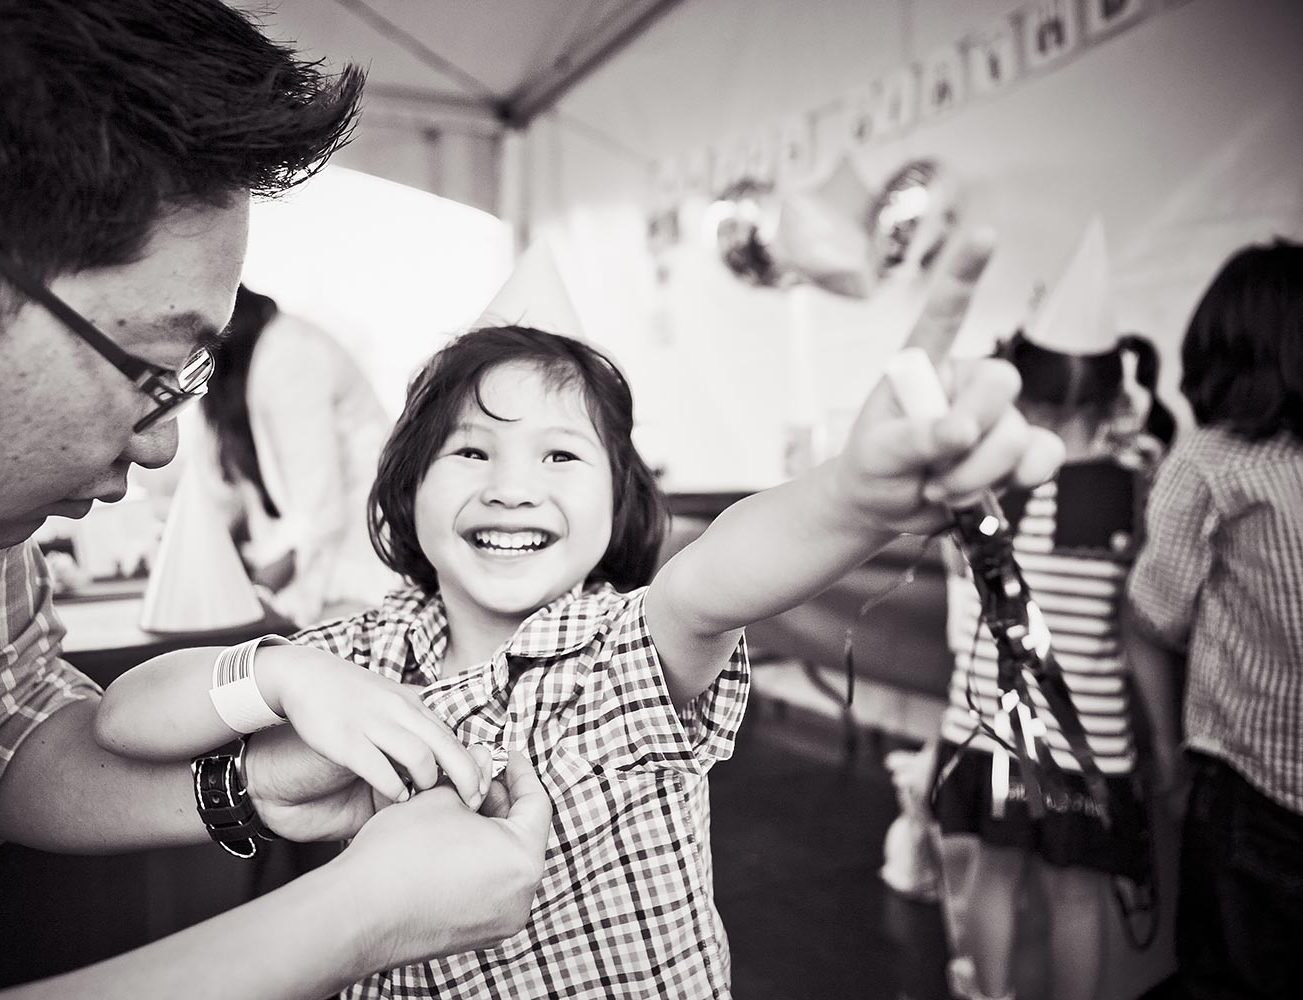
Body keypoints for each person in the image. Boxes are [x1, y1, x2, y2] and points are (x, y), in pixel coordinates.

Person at [0, 3, 551, 999]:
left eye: (189, 384)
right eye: (150, 368)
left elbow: (0, 727)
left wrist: (257, 782)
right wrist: (353, 918)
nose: (159, 447)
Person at [96, 278, 1064, 998]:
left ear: (617, 501)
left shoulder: (623, 650)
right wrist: (276, 670)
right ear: (406, 490)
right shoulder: (368, 652)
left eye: (561, 455)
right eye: (470, 451)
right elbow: (124, 718)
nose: (513, 484)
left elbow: (715, 577)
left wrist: (850, 499)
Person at [927, 222, 1178, 1000]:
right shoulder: (1137, 487)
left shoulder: (983, 480)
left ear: (1019, 382)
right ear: (1113, 393)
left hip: (988, 728)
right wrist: (1164, 743)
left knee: (993, 878)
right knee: (1079, 896)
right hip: (1090, 740)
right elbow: (1138, 633)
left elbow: (957, 581)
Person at [1126, 239, 1303, 1000]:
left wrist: (1169, 762)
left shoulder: (1208, 460)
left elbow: (1150, 617)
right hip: (1263, 782)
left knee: (1230, 974)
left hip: (1255, 781)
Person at [194, 284, 399, 628]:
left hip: (362, 574)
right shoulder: (235, 376)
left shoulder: (291, 354)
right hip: (322, 579)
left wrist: (255, 592)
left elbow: (317, 510)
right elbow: (225, 500)